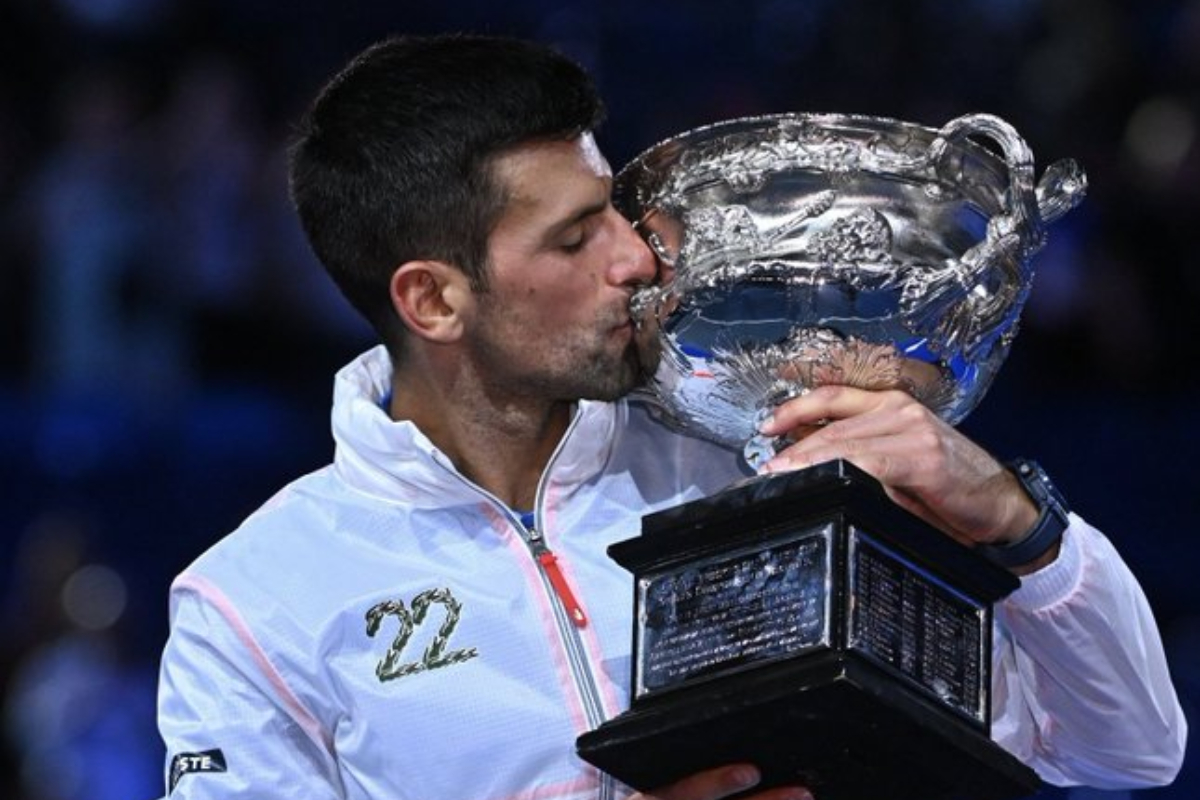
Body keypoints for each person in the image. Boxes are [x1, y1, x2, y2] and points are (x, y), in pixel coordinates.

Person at [154, 33, 1187, 800]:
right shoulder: (257, 602)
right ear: (432, 300)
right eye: (572, 240)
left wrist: (1018, 525)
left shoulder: (761, 460)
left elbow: (1128, 748)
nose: (637, 258)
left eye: (616, 206)